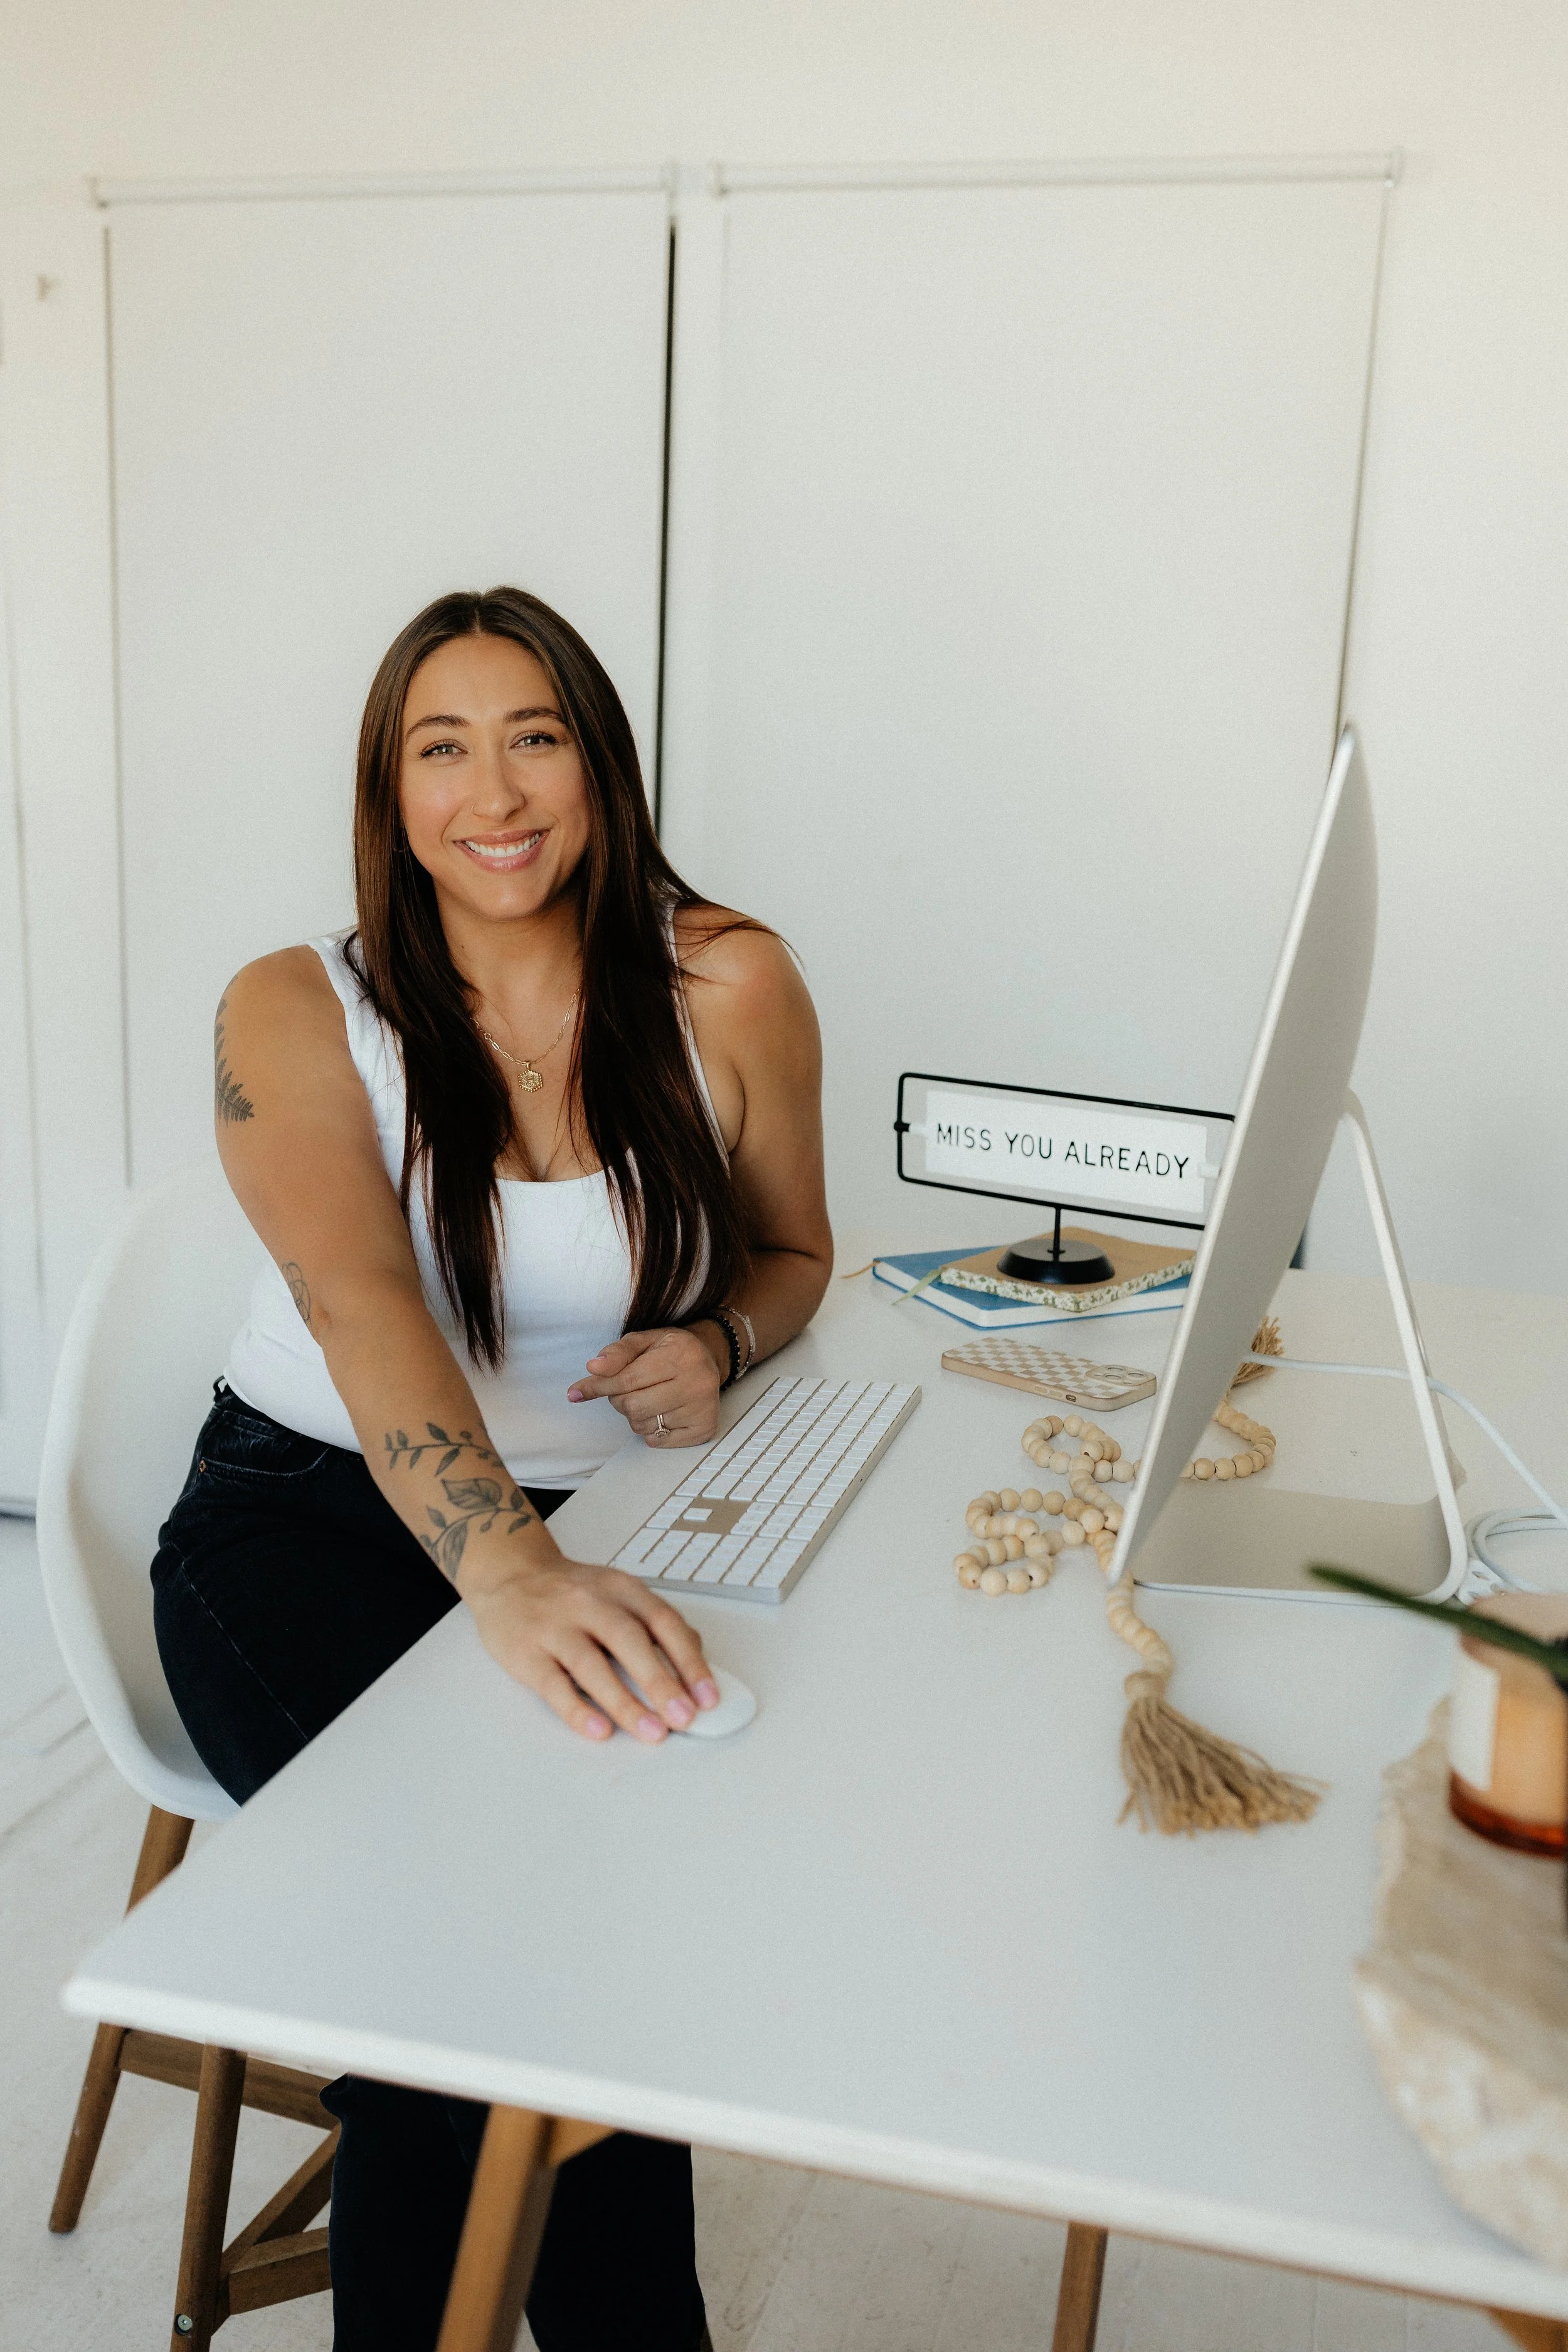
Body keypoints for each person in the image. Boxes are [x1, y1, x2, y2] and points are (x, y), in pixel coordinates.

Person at [151, 586, 833, 2351]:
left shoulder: (729, 979)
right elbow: (362, 1299)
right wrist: (505, 1570)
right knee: (460, 1996)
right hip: (301, 1518)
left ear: (598, 764)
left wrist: (720, 1341)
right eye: (436, 748)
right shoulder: (295, 1006)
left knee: (589, 1970)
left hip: (608, 1518)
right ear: (386, 796)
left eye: (532, 733)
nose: (493, 789)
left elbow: (794, 1257)